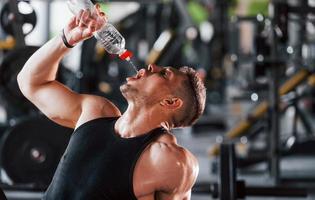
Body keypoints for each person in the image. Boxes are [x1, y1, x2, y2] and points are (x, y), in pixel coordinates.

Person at [17, 4, 206, 200]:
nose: (152, 65)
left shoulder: (170, 161)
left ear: (170, 102)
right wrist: (66, 39)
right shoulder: (96, 112)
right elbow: (30, 83)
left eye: (165, 74)